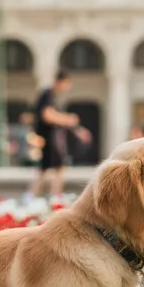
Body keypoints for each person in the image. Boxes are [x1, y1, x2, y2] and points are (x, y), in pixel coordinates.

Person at [25, 71, 92, 202]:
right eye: (67, 84)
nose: (67, 88)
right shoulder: (48, 94)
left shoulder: (52, 96)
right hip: (50, 139)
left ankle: (33, 197)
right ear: (61, 82)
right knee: (59, 169)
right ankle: (54, 199)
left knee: (45, 170)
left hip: (51, 138)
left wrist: (77, 130)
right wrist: (67, 119)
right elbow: (47, 115)